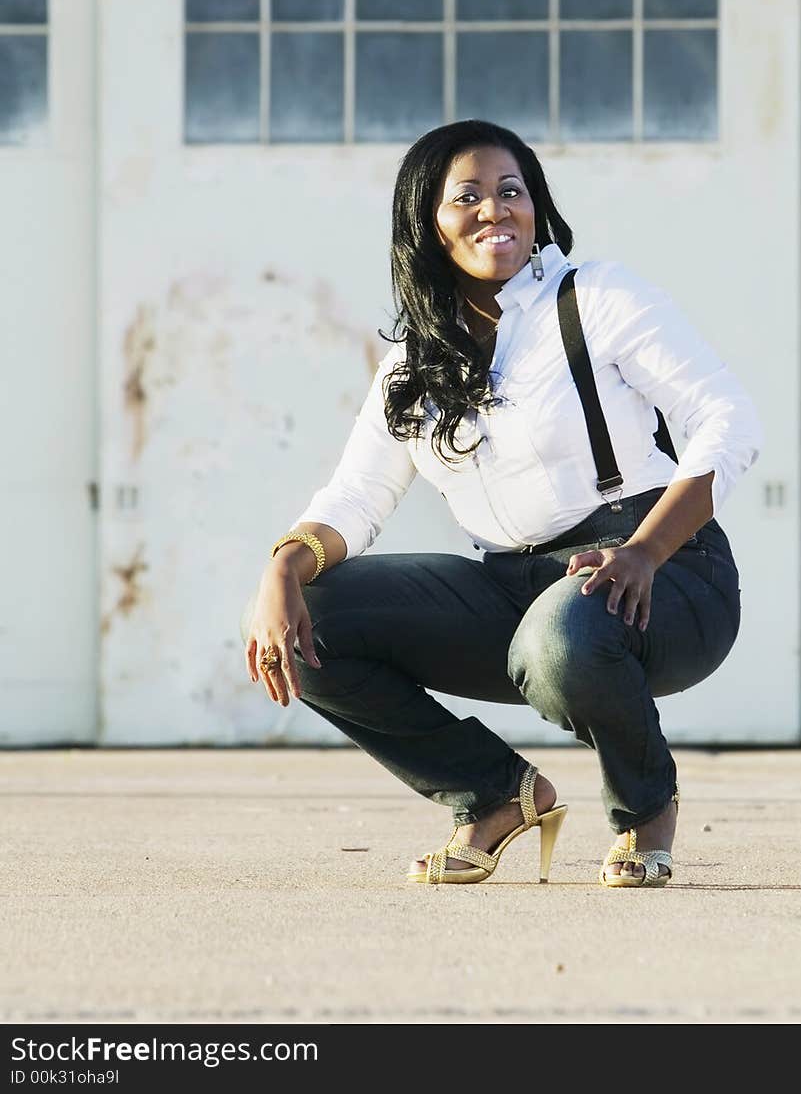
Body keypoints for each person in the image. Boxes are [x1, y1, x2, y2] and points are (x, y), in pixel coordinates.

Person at [243, 119, 761, 887]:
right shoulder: (412, 365)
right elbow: (356, 494)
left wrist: (646, 549)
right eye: (469, 197)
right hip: (513, 586)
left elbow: (729, 420)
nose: (497, 210)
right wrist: (282, 568)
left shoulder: (595, 299)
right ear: (428, 224)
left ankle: (645, 805)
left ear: (536, 205)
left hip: (666, 568)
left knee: (563, 631)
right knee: (316, 622)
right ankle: (493, 794)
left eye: (511, 191)